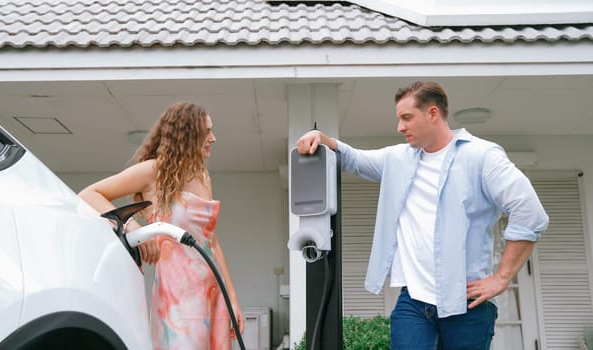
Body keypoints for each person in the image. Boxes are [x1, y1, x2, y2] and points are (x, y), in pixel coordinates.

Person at [295, 81, 549, 350]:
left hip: (467, 304)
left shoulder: (482, 157)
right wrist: (323, 139)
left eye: (406, 118)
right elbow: (354, 159)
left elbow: (530, 213)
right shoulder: (399, 159)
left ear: (432, 113)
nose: (400, 127)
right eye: (399, 119)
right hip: (413, 303)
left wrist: (501, 278)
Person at [79, 101, 243, 350]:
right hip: (177, 299)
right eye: (207, 131)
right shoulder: (153, 171)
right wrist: (132, 226)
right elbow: (89, 194)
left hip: (212, 293)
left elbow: (212, 243)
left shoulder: (202, 176)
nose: (214, 138)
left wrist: (232, 298)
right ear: (187, 133)